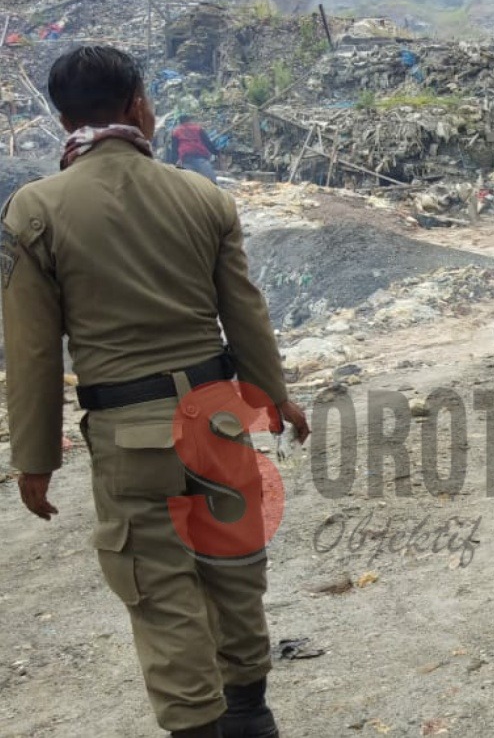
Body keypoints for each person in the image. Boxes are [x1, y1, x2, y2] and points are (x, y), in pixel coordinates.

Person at [3, 45, 311, 738]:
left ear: (61, 119)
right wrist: (275, 398)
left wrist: (35, 458)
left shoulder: (36, 210)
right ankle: (252, 717)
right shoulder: (203, 196)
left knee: (162, 595)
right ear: (139, 104)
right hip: (220, 423)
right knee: (235, 577)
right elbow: (246, 314)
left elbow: (30, 351)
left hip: (129, 437)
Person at [170, 114, 219, 184]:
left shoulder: (176, 132)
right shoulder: (198, 129)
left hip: (185, 159)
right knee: (212, 183)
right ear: (189, 120)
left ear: (180, 122)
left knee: (187, 183)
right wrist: (216, 152)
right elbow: (207, 143)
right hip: (200, 157)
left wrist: (174, 163)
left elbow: (174, 149)